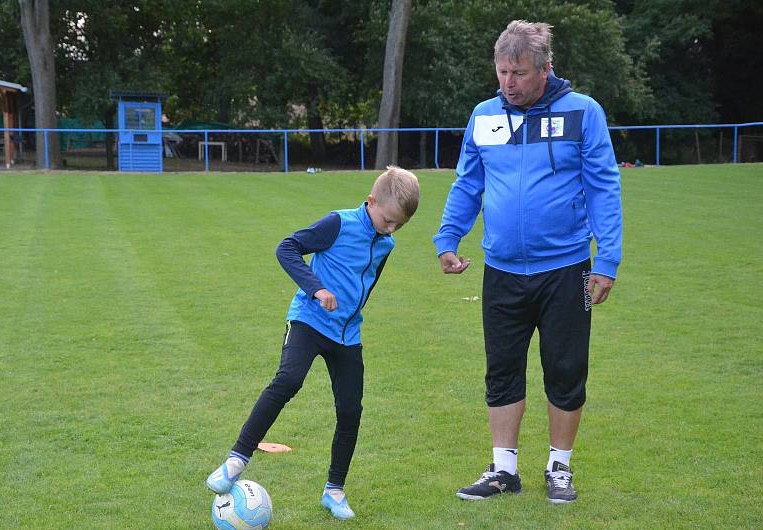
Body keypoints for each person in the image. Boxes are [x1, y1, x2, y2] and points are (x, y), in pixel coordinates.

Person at [433, 20, 622, 504]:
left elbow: (604, 186)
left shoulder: (583, 113)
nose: (508, 83)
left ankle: (560, 468)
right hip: (502, 270)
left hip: (567, 268)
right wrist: (448, 238)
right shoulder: (483, 116)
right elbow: (468, 184)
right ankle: (503, 471)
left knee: (565, 369)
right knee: (501, 370)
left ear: (545, 69)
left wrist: (608, 260)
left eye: (517, 73)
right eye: (501, 72)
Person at [207, 166, 420, 520]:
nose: (391, 229)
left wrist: (350, 310)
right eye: (388, 220)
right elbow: (287, 247)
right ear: (370, 202)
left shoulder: (387, 244)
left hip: (347, 334)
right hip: (309, 319)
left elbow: (368, 281)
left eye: (399, 225)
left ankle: (334, 490)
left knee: (351, 410)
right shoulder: (338, 223)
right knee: (288, 380)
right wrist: (316, 288)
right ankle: (235, 460)